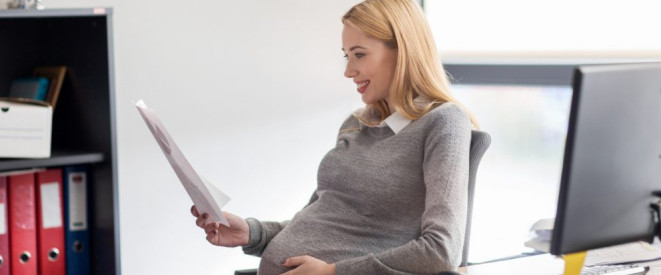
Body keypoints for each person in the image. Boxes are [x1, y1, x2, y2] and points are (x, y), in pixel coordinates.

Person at [191, 0, 478, 274]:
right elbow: (318, 223)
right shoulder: (357, 124)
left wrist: (334, 272)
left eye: (359, 54)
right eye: (346, 55)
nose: (348, 71)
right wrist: (250, 232)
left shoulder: (443, 122)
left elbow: (441, 251)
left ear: (402, 51)